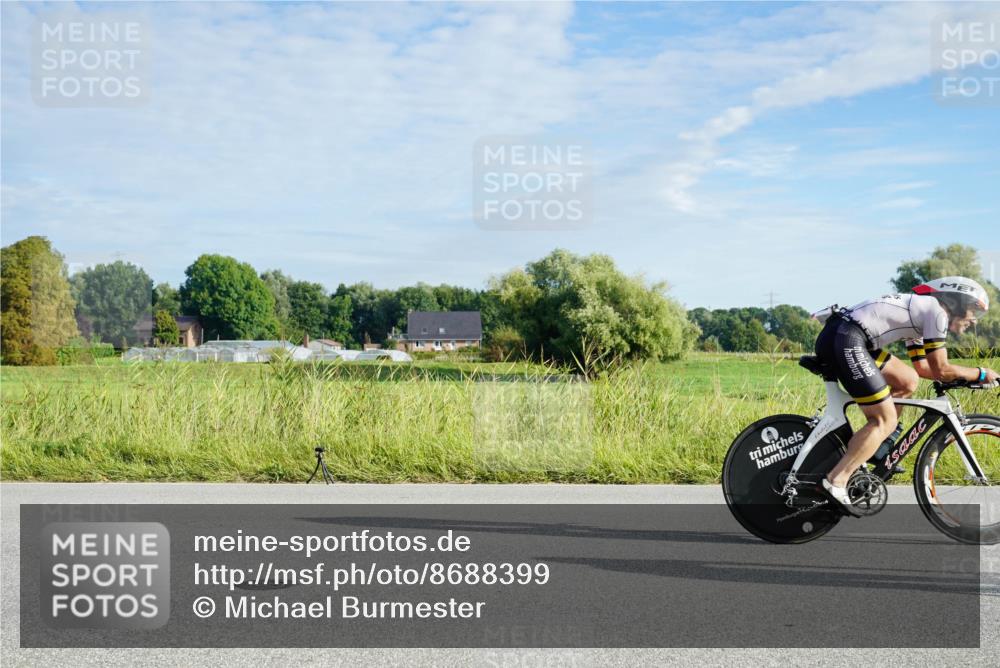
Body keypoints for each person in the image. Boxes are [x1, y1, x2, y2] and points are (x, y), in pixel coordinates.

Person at [812, 276, 998, 515]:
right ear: (958, 303)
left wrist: (962, 377)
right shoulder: (936, 312)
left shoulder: (924, 314)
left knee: (908, 380)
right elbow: (941, 369)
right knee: (883, 419)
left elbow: (924, 369)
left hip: (845, 336)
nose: (973, 321)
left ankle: (882, 445)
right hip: (847, 339)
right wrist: (980, 374)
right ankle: (837, 480)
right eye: (973, 311)